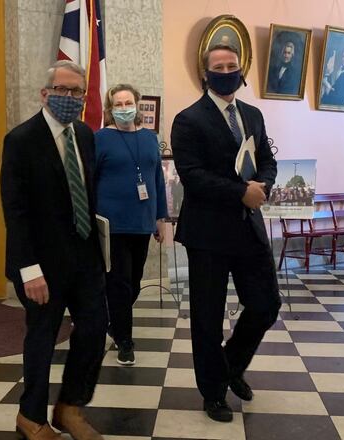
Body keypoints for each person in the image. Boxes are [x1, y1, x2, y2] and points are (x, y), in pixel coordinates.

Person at [171, 44, 280, 423]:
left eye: (232, 65)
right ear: (206, 73)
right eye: (218, 66)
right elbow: (193, 176)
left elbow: (267, 159)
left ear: (241, 69)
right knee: (207, 316)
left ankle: (231, 365)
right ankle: (213, 392)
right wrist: (240, 192)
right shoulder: (188, 120)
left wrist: (262, 184)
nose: (226, 71)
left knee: (266, 304)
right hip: (207, 234)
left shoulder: (252, 114)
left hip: (248, 229)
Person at [1, 60, 107, 440]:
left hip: (84, 257)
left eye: (77, 91)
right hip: (41, 265)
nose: (70, 98)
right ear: (45, 94)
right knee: (42, 339)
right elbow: (15, 209)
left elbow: (87, 195)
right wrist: (28, 268)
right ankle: (31, 416)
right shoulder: (21, 140)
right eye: (62, 90)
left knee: (95, 329)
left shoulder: (86, 134)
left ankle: (70, 407)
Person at [94, 84, 167, 366]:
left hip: (142, 221)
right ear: (110, 109)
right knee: (120, 282)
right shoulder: (100, 138)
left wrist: (160, 219)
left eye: (128, 102)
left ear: (137, 104)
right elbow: (90, 179)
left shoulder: (149, 138)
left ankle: (114, 323)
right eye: (118, 104)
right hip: (111, 223)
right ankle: (125, 341)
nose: (124, 108)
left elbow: (157, 181)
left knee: (134, 282)